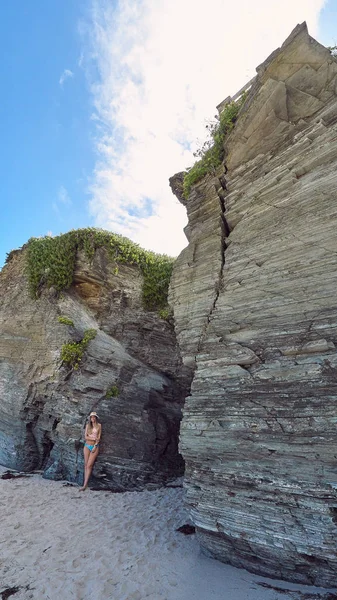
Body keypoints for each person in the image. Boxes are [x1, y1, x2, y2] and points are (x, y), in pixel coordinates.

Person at [79, 411, 102, 491]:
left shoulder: (99, 426)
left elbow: (98, 438)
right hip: (87, 445)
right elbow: (86, 437)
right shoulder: (88, 426)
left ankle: (85, 484)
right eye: (91, 417)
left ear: (96, 418)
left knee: (89, 465)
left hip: (94, 446)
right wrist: (93, 438)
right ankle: (84, 484)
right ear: (90, 418)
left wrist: (95, 445)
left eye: (94, 417)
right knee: (86, 465)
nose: (93, 418)